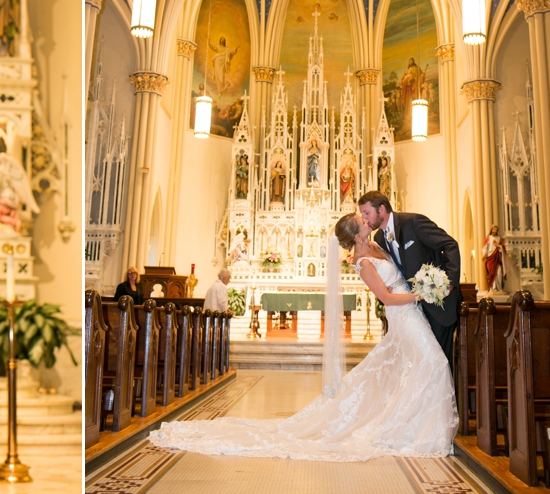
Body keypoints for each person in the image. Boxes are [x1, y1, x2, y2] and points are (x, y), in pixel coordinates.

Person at [149, 213, 457, 460]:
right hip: (404, 314)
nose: (367, 219)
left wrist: (424, 286)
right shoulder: (363, 263)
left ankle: (415, 425)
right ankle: (421, 430)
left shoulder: (378, 244)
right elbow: (387, 298)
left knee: (417, 367)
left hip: (411, 315)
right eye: (362, 220)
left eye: (365, 216)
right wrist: (419, 295)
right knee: (434, 362)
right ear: (357, 234)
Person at [358, 190, 462, 368]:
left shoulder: (413, 222)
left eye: (366, 213)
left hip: (439, 305)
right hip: (413, 309)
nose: (364, 218)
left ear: (381, 209)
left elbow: (449, 244)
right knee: (421, 365)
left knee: (439, 363)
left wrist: (449, 283)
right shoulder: (378, 238)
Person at [482, 225, 507, 292]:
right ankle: (493, 288)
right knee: (492, 273)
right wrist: (484, 254)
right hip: (490, 258)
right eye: (494, 229)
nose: (495, 231)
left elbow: (503, 249)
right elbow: (485, 247)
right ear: (491, 230)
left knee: (499, 274)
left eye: (496, 229)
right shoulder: (488, 238)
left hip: (497, 258)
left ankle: (499, 288)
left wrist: (498, 246)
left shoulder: (499, 238)